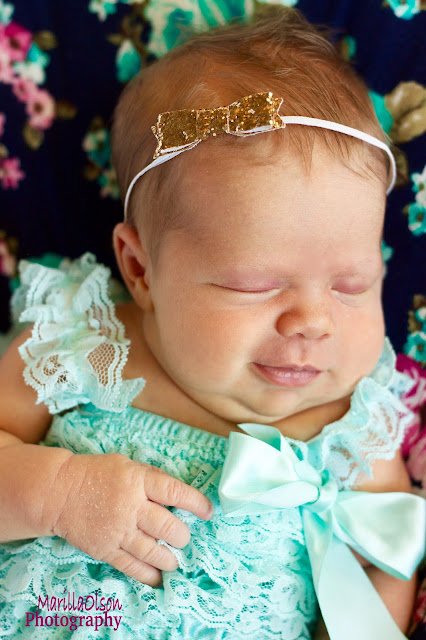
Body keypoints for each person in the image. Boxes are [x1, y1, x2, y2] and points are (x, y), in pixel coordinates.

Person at [0, 6, 424, 640]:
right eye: (255, 284)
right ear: (141, 270)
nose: (312, 322)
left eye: (351, 285)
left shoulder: (355, 429)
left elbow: (387, 558)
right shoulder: (81, 343)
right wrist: (58, 493)